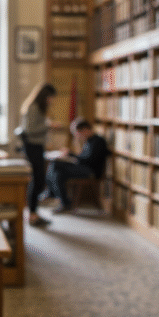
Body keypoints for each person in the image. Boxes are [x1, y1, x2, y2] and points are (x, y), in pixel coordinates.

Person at [45, 118, 110, 214]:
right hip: (84, 168)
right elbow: (83, 158)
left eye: (77, 133)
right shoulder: (89, 141)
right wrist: (71, 157)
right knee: (57, 171)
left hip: (91, 172)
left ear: (85, 130)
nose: (76, 136)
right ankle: (62, 201)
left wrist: (70, 155)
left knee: (56, 165)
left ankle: (52, 194)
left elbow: (89, 161)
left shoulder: (98, 141)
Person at [18, 83, 57, 227]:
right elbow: (29, 129)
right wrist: (49, 126)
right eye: (51, 97)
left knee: (39, 179)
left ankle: (33, 213)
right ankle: (32, 214)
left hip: (37, 146)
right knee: (37, 180)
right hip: (32, 147)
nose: (51, 101)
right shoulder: (34, 107)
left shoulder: (37, 107)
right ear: (45, 96)